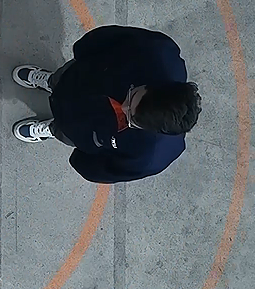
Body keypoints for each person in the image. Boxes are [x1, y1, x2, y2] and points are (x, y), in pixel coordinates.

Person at [10, 25, 200, 185]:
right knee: (62, 79)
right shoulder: (157, 51)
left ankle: (53, 128)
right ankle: (51, 81)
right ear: (154, 85)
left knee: (64, 130)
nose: (123, 107)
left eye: (131, 118)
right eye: (132, 95)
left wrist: (80, 160)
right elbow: (110, 37)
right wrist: (82, 51)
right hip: (79, 78)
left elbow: (105, 170)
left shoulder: (150, 157)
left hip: (80, 128)